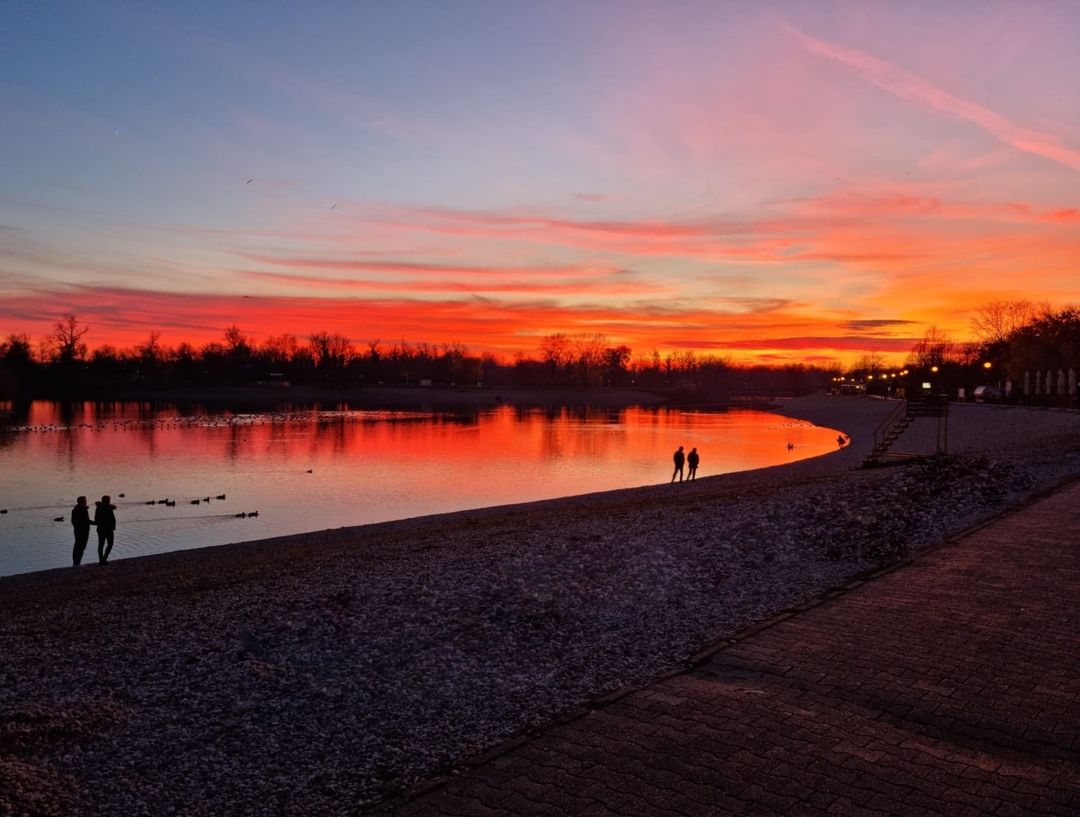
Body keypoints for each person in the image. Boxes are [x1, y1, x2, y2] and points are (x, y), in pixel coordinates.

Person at [71, 496, 93, 566]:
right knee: (80, 547)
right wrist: (97, 523)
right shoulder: (82, 509)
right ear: (82, 502)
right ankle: (77, 563)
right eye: (85, 501)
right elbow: (87, 521)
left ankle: (76, 563)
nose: (86, 502)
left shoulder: (76, 509)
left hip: (78, 531)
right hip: (82, 531)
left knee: (78, 546)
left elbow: (73, 522)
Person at [94, 495, 117, 564]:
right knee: (109, 544)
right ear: (107, 501)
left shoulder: (99, 508)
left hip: (101, 528)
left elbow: (96, 518)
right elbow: (110, 518)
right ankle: (103, 559)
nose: (110, 501)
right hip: (108, 529)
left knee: (101, 544)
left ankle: (102, 559)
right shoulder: (108, 508)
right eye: (109, 500)